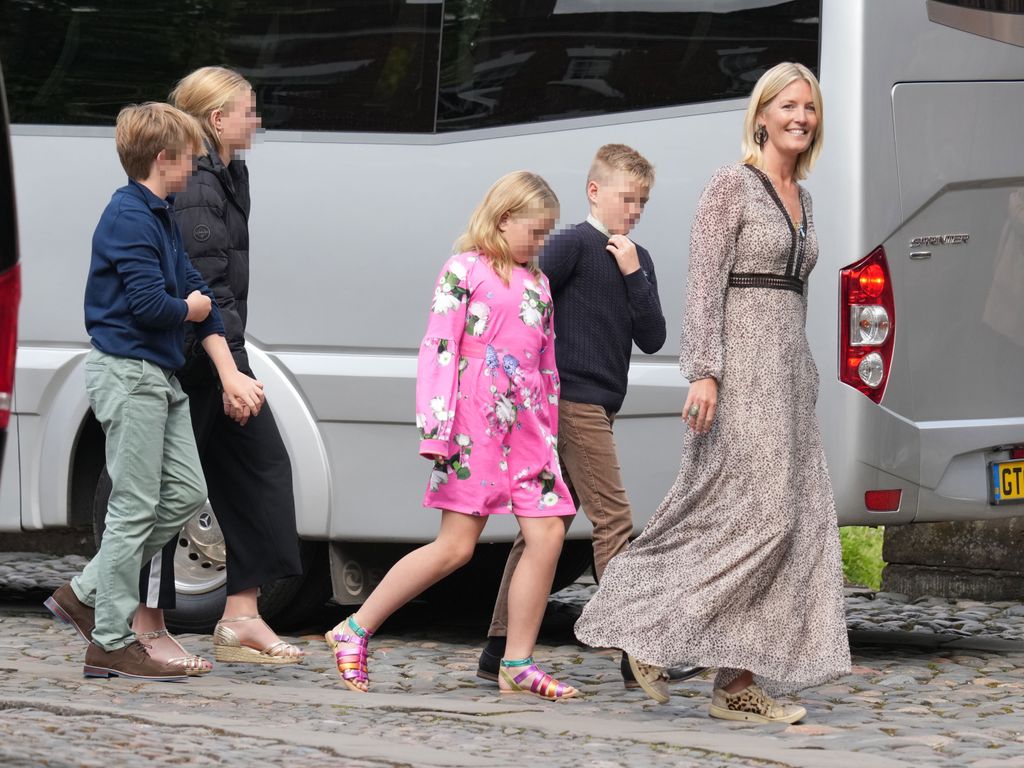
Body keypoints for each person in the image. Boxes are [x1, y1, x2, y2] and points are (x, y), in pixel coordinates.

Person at [574, 62, 851, 723]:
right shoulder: (732, 185)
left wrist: (804, 376)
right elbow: (704, 282)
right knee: (752, 520)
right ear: (762, 114)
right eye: (788, 105)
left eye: (808, 109)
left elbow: (797, 295)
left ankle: (736, 686)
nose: (800, 118)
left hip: (787, 378)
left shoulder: (803, 198)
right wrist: (703, 370)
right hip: (738, 373)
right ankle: (647, 627)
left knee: (796, 524)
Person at [325, 171, 579, 700]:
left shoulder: (538, 281)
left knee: (549, 532)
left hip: (529, 425)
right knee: (456, 547)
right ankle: (354, 628)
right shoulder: (464, 269)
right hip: (475, 421)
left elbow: (547, 360)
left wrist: (549, 428)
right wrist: (438, 429)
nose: (541, 243)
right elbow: (439, 346)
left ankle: (518, 661)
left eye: (546, 233)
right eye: (535, 231)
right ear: (504, 218)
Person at [43, 102, 263, 680]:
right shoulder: (128, 216)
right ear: (164, 159)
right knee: (135, 505)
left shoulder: (160, 213)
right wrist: (190, 309)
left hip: (157, 377)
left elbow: (197, 291)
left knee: (187, 492)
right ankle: (111, 638)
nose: (194, 167)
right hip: (128, 373)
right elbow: (152, 305)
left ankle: (85, 591)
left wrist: (200, 310)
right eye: (189, 157)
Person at [477, 144, 700, 689]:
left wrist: (632, 273)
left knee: (543, 527)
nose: (636, 210)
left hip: (598, 403)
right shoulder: (573, 243)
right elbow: (526, 298)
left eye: (643, 202)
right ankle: (636, 651)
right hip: (569, 402)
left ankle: (498, 648)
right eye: (628, 198)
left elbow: (652, 337)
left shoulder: (636, 258)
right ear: (595, 191)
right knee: (615, 519)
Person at [131, 66, 305, 669]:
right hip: (189, 360)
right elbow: (206, 284)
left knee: (259, 470)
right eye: (247, 110)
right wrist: (232, 370)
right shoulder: (199, 184)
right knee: (163, 492)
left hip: (219, 352)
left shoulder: (230, 174)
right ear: (215, 119)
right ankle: (132, 625)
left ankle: (241, 616)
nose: (256, 120)